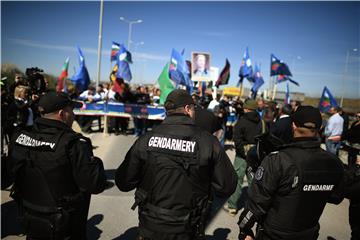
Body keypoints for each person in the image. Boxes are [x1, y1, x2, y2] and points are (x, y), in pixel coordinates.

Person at [115, 89, 237, 240]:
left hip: (150, 226)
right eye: (193, 109)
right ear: (187, 109)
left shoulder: (146, 139)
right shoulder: (208, 142)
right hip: (189, 228)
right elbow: (227, 186)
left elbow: (123, 182)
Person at [7, 92, 107, 239]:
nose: (73, 115)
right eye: (71, 110)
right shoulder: (75, 144)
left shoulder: (18, 137)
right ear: (62, 113)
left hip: (30, 219)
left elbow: (6, 176)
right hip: (64, 226)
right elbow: (94, 185)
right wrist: (96, 163)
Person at [237, 106, 344, 240]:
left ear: (293, 125)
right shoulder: (334, 163)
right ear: (320, 128)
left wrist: (243, 228)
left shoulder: (278, 160)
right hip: (308, 234)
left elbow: (256, 204)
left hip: (273, 235)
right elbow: (336, 197)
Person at [224, 99, 266, 216]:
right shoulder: (262, 122)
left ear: (246, 108)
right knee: (254, 182)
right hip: (256, 156)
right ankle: (253, 208)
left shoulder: (241, 121)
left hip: (242, 156)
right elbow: (264, 138)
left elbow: (237, 140)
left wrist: (243, 153)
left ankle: (232, 207)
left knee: (237, 180)